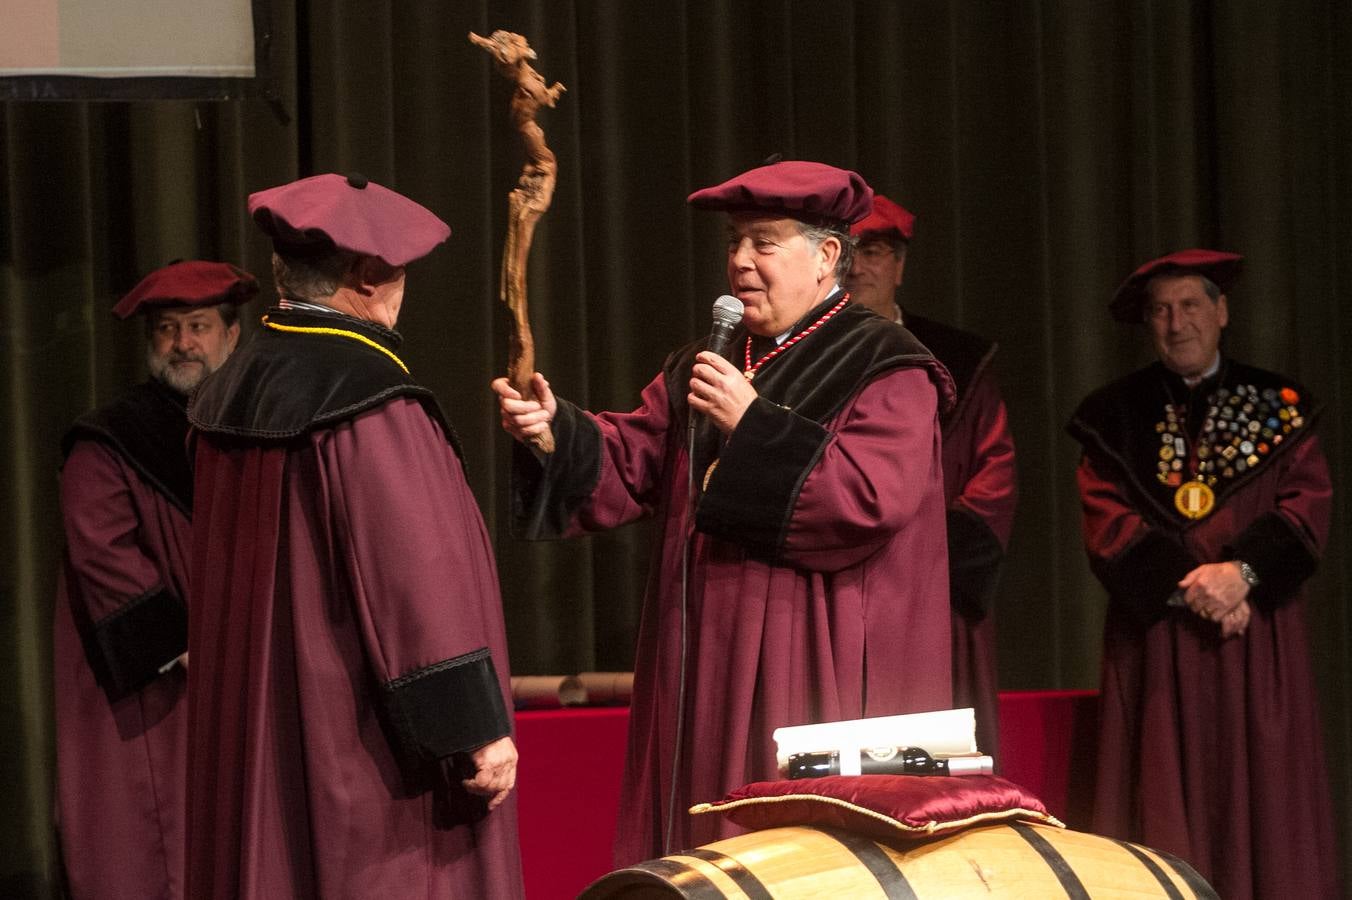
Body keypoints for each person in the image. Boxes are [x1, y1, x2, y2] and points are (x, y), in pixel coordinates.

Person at [495, 160, 955, 862]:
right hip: (700, 654)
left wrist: (755, 426)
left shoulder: (887, 365)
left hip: (816, 662)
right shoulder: (706, 359)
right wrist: (556, 430)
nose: (740, 261)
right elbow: (635, 459)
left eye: (763, 242)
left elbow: (867, 499)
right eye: (734, 242)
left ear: (827, 254)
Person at [186, 173, 523, 899]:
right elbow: (414, 580)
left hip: (258, 729)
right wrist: (474, 728)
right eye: (399, 272)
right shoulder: (368, 402)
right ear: (368, 277)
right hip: (358, 741)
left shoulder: (227, 390)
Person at [1067, 249, 1339, 899]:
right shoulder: (1113, 416)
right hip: (1159, 638)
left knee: (1264, 793)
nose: (1176, 323)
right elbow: (1106, 518)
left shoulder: (1280, 406)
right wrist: (1198, 587)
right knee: (1158, 793)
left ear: (1221, 312)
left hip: (1256, 636)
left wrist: (1243, 575)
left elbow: (1307, 504)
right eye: (1160, 311)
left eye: (1190, 306)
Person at [53, 260, 253, 900]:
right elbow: (101, 551)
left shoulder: (253, 428)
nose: (183, 343)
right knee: (156, 838)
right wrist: (181, 642)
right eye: (167, 329)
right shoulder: (110, 439)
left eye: (198, 326)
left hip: (239, 674)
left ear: (232, 335)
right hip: (155, 681)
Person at [846, 195, 1017, 757]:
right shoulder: (799, 358)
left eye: (873, 252)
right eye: (846, 250)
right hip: (838, 588)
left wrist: (925, 557)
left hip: (935, 592)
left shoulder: (957, 361)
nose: (858, 266)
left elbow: (993, 476)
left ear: (899, 264)